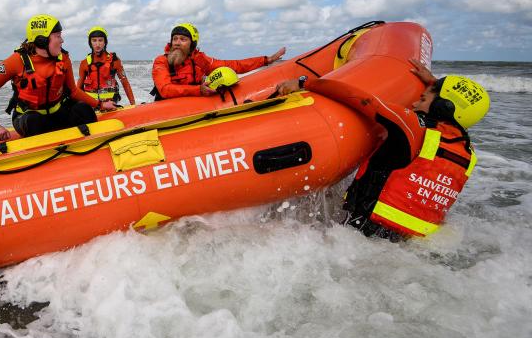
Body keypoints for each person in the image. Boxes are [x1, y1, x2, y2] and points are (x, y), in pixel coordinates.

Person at [276, 59, 490, 240]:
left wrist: (304, 82)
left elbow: (361, 98)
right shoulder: (468, 154)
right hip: (413, 242)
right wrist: (434, 84)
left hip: (364, 233)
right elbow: (454, 110)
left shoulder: (414, 127)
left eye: (423, 98)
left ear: (442, 107)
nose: (415, 103)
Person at [0, 14, 116, 141]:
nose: (62, 40)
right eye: (58, 36)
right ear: (42, 41)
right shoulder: (16, 61)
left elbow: (73, 91)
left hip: (57, 112)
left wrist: (101, 104)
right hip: (28, 117)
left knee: (85, 110)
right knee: (34, 122)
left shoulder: (63, 58)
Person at [151, 23, 286, 100]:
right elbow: (165, 90)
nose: (177, 43)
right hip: (166, 109)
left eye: (183, 39)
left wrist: (266, 60)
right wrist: (198, 90)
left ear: (192, 44)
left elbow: (233, 66)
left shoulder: (199, 60)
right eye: (175, 39)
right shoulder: (161, 61)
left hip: (194, 107)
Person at [77, 26, 136, 106]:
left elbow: (125, 83)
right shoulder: (84, 63)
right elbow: (78, 89)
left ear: (105, 42)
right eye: (94, 40)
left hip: (111, 104)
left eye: (100, 40)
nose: (97, 44)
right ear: (90, 43)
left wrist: (133, 105)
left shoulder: (115, 61)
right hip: (91, 105)